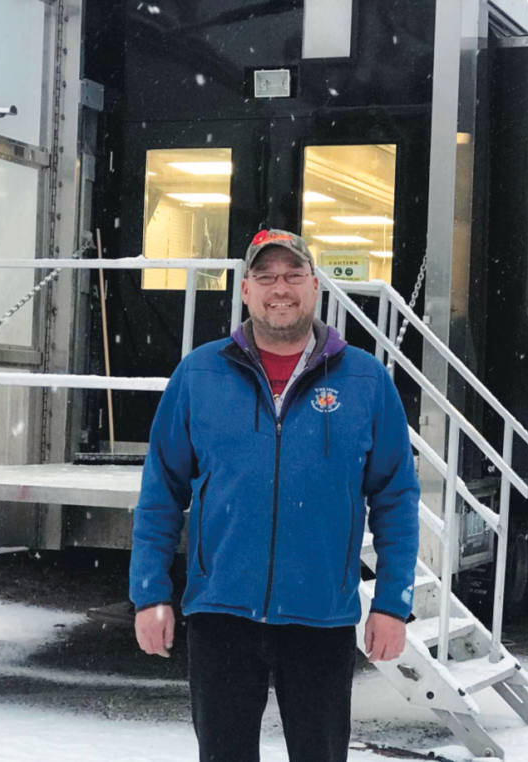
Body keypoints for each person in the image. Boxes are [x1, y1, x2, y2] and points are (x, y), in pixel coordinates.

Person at [130, 229, 420, 762]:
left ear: (315, 286)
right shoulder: (200, 374)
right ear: (245, 290)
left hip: (321, 617)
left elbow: (396, 497)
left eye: (292, 274)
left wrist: (393, 602)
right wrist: (150, 592)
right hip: (221, 616)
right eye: (265, 276)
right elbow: (161, 492)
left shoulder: (364, 380)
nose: (278, 288)